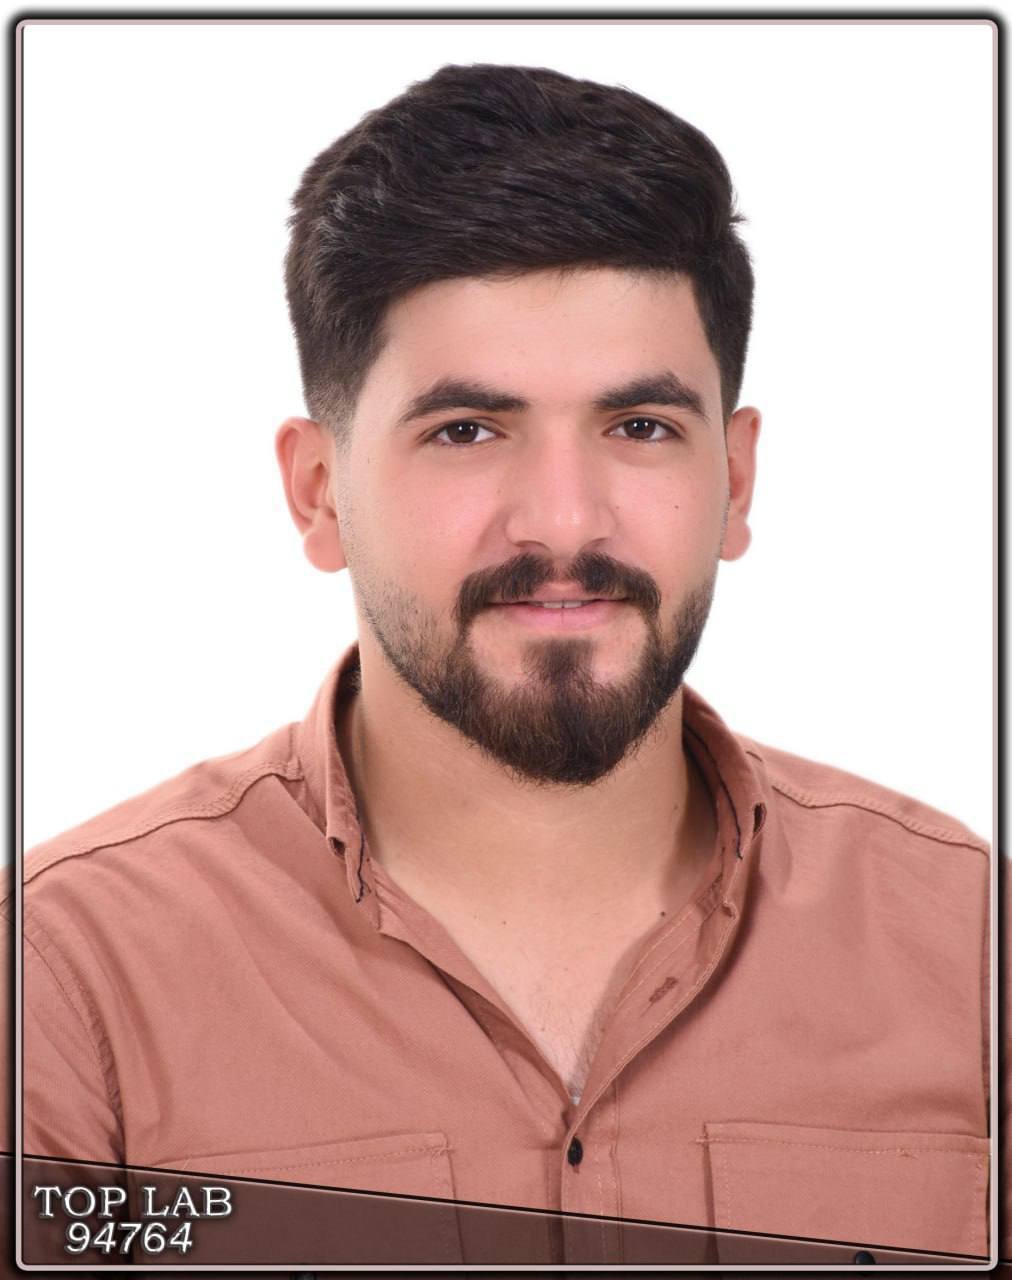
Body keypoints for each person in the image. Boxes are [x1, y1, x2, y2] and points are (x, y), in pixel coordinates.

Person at [18, 63, 997, 1266]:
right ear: (318, 492)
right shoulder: (68, 980)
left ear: (735, 481)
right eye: (467, 430)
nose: (563, 520)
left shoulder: (969, 948)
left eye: (639, 427)